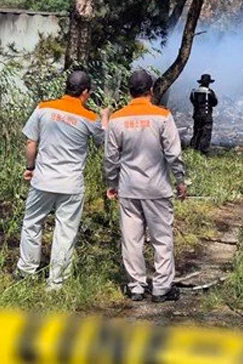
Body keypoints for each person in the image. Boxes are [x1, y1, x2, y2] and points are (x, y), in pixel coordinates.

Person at [16, 70, 109, 290]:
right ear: (85, 92)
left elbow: (31, 142)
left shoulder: (43, 108)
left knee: (31, 224)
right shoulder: (90, 118)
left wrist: (30, 168)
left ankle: (26, 272)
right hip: (70, 184)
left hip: (42, 180)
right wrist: (105, 118)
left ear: (66, 87)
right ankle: (56, 282)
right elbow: (104, 141)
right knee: (65, 231)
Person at [104, 70, 187, 303]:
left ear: (129, 92)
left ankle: (136, 287)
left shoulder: (117, 118)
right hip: (157, 188)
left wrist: (112, 183)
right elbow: (173, 153)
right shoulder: (162, 116)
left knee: (131, 239)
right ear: (151, 91)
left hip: (129, 188)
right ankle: (161, 288)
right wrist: (180, 180)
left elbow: (111, 158)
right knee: (161, 238)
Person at [189, 73, 218, 155]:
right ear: (208, 83)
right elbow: (215, 103)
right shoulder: (210, 92)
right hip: (206, 115)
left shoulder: (194, 92)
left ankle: (193, 148)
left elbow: (192, 101)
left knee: (196, 132)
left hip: (197, 114)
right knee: (206, 133)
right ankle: (203, 151)